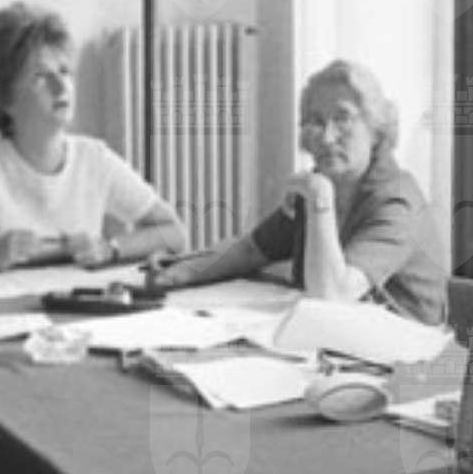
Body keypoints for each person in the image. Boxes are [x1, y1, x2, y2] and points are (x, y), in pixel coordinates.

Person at [0, 2, 188, 270]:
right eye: (40, 76)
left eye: (64, 71)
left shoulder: (94, 159)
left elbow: (174, 233)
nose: (61, 86)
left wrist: (111, 249)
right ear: (5, 99)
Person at [153, 59, 445, 324]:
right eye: (316, 121)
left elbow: (333, 294)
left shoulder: (394, 202)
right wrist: (181, 272)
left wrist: (319, 200)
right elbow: (252, 249)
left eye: (343, 118)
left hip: (409, 353)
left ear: (376, 129)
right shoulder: (323, 183)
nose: (327, 137)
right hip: (341, 338)